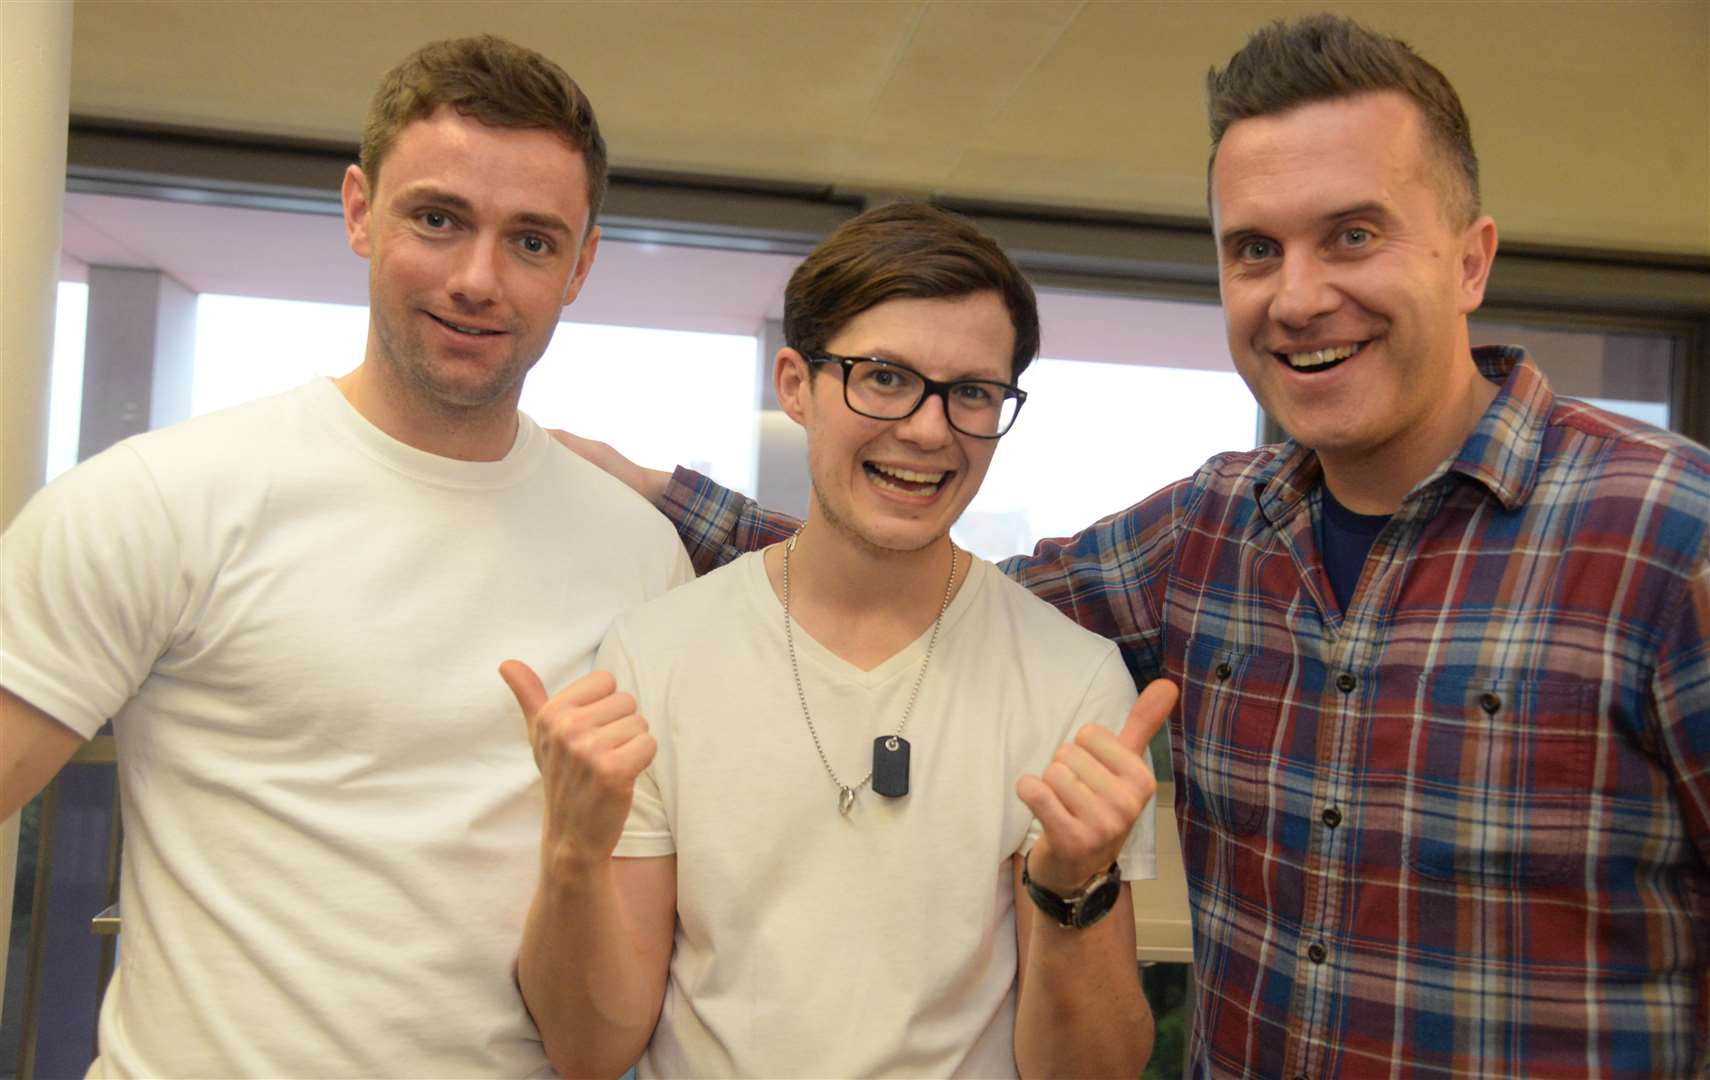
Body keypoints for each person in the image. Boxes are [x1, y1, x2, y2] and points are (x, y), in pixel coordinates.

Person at [560, 16, 1710, 1078]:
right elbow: (916, 571)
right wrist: (662, 493)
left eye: (1353, 235)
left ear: (1470, 259)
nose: (1299, 297)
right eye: (1254, 250)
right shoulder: (1212, 527)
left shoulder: (1671, 534)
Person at [0, 35, 689, 1077]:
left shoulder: (639, 555)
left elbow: (608, 1003)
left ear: (582, 263)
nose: (477, 279)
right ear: (361, 211)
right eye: (438, 218)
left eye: (533, 242)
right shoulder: (163, 501)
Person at [505, 202, 1169, 1078]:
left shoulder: (1073, 683)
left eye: (972, 393)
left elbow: (1091, 1075)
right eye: (884, 377)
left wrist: (1072, 888)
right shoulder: (656, 655)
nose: (930, 429)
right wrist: (572, 850)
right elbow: (591, 1050)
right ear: (794, 384)